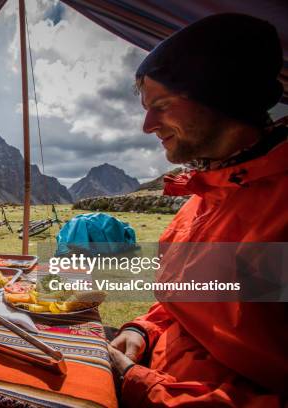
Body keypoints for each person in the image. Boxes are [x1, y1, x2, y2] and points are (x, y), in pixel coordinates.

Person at [107, 14, 288, 407]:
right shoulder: (200, 200)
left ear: (221, 95)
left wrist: (144, 386)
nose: (147, 125)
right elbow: (185, 301)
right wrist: (143, 329)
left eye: (162, 105)